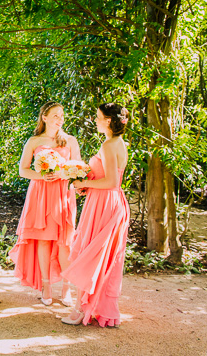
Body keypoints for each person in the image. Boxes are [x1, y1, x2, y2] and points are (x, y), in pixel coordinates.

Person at [61, 103, 130, 327]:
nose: (96, 120)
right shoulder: (117, 143)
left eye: (99, 117)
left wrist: (82, 182)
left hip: (105, 204)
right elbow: (109, 179)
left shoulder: (110, 145)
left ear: (109, 121)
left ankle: (82, 309)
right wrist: (88, 184)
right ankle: (94, 308)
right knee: (100, 255)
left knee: (91, 253)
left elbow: (111, 181)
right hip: (107, 200)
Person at [8, 101, 81, 306]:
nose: (60, 119)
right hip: (40, 194)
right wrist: (41, 175)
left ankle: (66, 288)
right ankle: (46, 285)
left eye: (62, 115)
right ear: (45, 118)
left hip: (63, 194)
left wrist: (62, 172)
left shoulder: (70, 141)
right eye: (55, 115)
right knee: (42, 240)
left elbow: (79, 168)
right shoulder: (34, 141)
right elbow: (23, 170)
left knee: (64, 243)